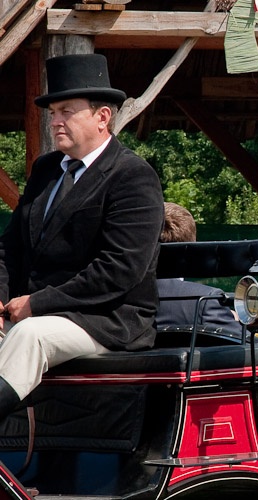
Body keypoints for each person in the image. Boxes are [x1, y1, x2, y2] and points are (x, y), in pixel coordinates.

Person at [0, 54, 164, 417]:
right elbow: (9, 248)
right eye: (52, 113)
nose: (54, 121)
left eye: (66, 112)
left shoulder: (133, 176)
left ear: (102, 117)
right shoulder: (45, 170)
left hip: (106, 320)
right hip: (36, 313)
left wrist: (37, 304)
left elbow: (119, 269)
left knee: (30, 336)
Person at [155, 202, 242, 338]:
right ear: (193, 247)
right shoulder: (206, 301)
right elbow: (251, 345)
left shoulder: (122, 294)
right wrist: (234, 320)